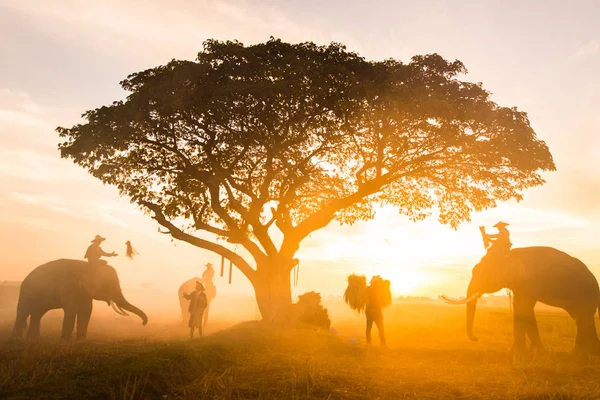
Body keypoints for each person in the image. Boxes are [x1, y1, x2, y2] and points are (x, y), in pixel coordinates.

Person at [365, 276, 388, 347]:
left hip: (370, 311)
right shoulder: (376, 290)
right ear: (375, 282)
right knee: (380, 327)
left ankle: (369, 343)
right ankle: (383, 344)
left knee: (369, 328)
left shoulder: (367, 289)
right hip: (374, 312)